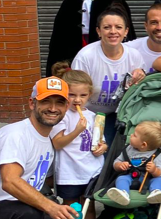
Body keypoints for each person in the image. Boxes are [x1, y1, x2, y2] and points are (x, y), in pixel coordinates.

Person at [0, 76, 78, 219]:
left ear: (67, 106)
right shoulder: (16, 135)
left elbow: (42, 181)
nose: (52, 108)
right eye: (45, 101)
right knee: (33, 212)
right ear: (32, 103)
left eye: (59, 103)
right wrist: (51, 207)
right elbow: (10, 181)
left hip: (12, 209)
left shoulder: (48, 140)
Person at [72, 5, 146, 145]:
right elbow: (74, 92)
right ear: (98, 31)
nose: (113, 32)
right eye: (107, 27)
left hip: (118, 114)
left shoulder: (134, 56)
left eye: (118, 27)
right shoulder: (85, 56)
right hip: (88, 112)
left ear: (126, 32)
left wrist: (140, 75)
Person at [49, 65, 108, 219]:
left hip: (92, 171)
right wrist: (77, 131)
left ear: (89, 95)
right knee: (71, 211)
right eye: (72, 95)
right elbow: (57, 143)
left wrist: (103, 148)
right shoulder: (62, 115)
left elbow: (102, 141)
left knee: (89, 208)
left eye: (83, 95)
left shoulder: (94, 116)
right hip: (70, 173)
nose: (77, 100)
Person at [105, 120, 161, 206]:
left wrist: (154, 170)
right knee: (121, 179)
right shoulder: (128, 149)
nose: (131, 135)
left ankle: (155, 192)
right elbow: (116, 162)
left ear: (143, 145)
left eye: (134, 135)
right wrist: (120, 165)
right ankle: (123, 193)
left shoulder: (156, 155)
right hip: (130, 177)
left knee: (160, 179)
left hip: (148, 179)